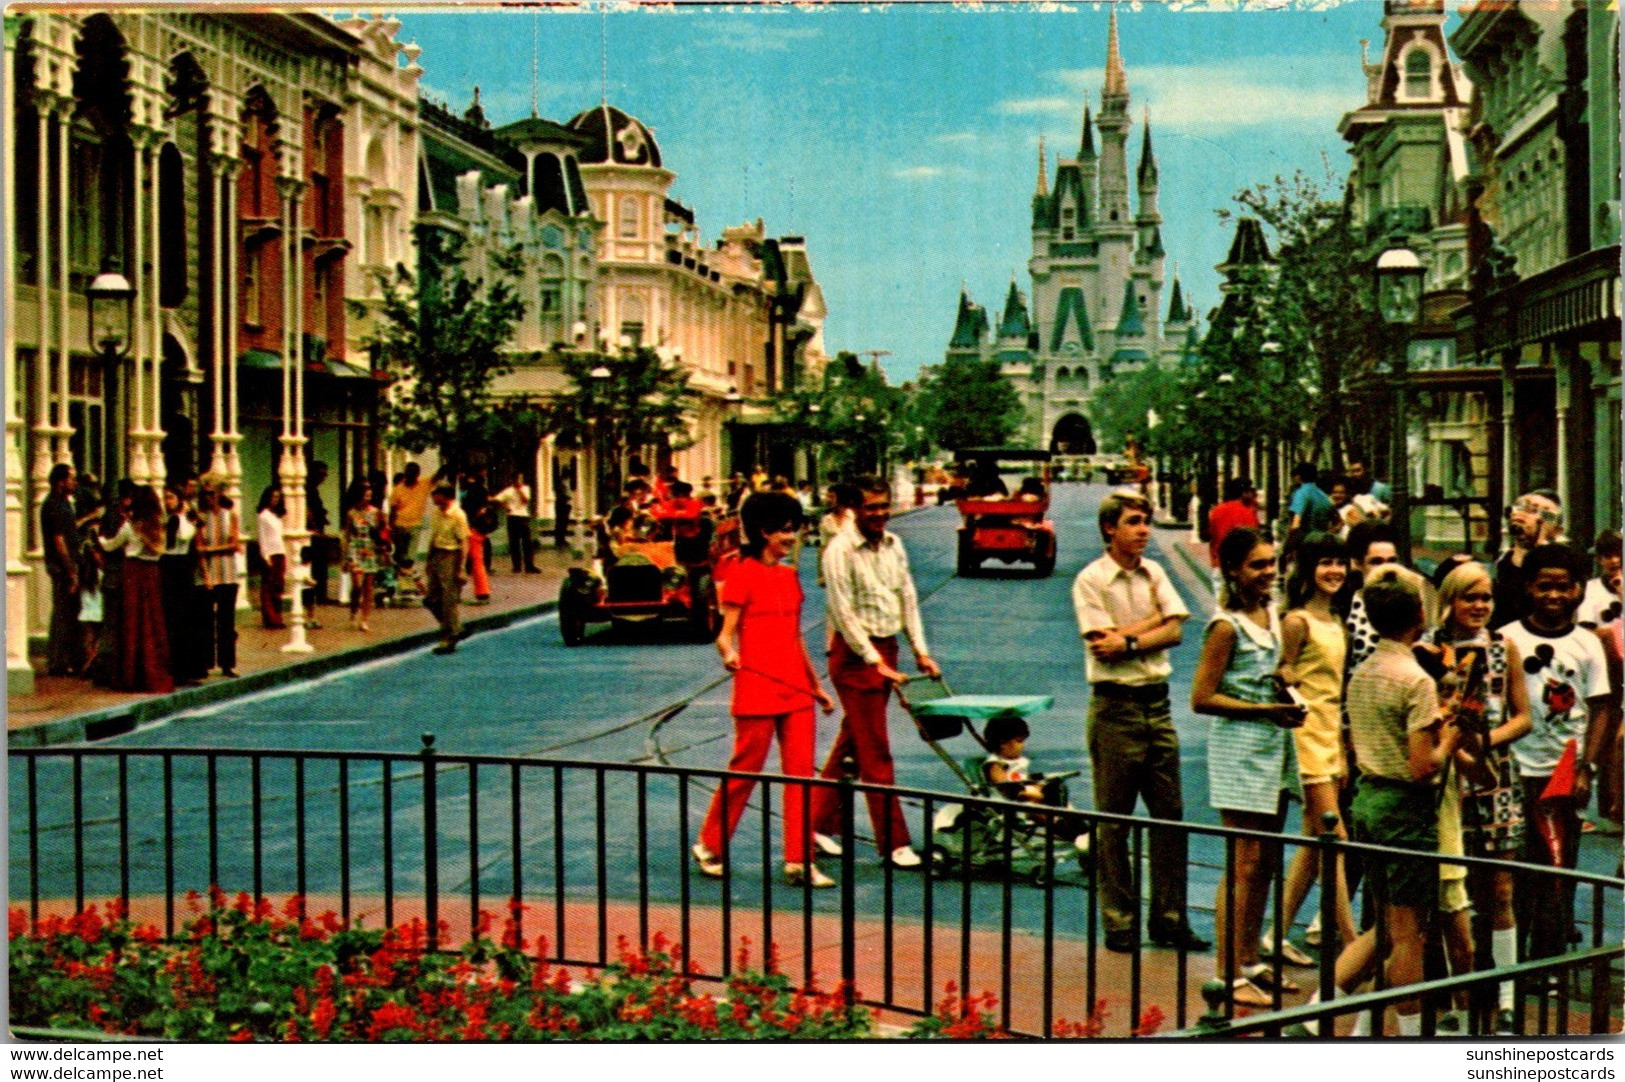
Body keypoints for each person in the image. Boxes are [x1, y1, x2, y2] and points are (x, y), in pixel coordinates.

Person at [1073, 491, 1207, 954]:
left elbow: (1176, 629)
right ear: (1110, 528)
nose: (1145, 530)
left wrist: (1130, 638)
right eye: (1134, 522)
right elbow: (1099, 644)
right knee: (1114, 822)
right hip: (1116, 708)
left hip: (1158, 704)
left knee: (1170, 817)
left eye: (1147, 522)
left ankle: (1169, 919)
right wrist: (1153, 623)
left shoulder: (1157, 572)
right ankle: (1120, 921)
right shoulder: (1091, 580)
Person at [694, 491, 838, 887]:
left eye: (795, 529)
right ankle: (710, 844)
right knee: (745, 771)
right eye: (786, 531)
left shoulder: (790, 577)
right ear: (764, 532)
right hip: (757, 683)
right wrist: (730, 654)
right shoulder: (741, 573)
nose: (794, 537)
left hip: (795, 690)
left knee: (801, 777)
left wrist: (816, 688)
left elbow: (795, 639)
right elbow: (725, 635)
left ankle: (799, 860)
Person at [1344, 568, 1465, 1036]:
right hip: (1403, 807)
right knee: (1409, 932)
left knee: (1388, 920)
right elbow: (1423, 765)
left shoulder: (1362, 673)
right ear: (1418, 615)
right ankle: (1411, 1035)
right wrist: (1450, 736)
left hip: (1367, 797)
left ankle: (1367, 1024)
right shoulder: (1416, 682)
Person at [1192, 527, 1306, 1007]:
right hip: (1239, 748)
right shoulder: (1226, 626)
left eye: (1271, 562)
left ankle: (1250, 958)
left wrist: (1285, 679)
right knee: (1243, 863)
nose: (1268, 572)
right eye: (1257, 565)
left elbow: (1276, 669)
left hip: (1274, 747)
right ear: (1234, 570)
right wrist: (1263, 710)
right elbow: (1203, 697)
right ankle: (1226, 972)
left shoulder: (1272, 616)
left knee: (1266, 861)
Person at [1422, 560, 1532, 1033]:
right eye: (1470, 597)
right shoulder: (1430, 648)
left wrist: (1485, 742)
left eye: (1485, 597)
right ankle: (1457, 997)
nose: (1479, 606)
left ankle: (1506, 995)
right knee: (1451, 894)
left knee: (1501, 887)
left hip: (1495, 775)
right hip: (1448, 777)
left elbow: (1523, 716)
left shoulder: (1504, 647)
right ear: (1450, 600)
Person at [809, 475, 941, 868]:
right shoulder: (839, 551)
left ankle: (811, 823)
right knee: (876, 751)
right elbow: (843, 613)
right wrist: (874, 661)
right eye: (872, 507)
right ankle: (894, 842)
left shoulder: (894, 544)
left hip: (887, 649)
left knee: (854, 740)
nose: (881, 514)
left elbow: (907, 596)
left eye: (885, 506)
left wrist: (920, 651)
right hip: (855, 656)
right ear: (853, 509)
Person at [1499, 543, 1611, 963]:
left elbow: (1600, 707)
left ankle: (1548, 960)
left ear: (1578, 590)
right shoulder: (1508, 637)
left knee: (1558, 868)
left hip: (1564, 774)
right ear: (1529, 587)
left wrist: (1588, 767)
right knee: (1517, 868)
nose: (1553, 596)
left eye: (1562, 588)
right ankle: (1510, 956)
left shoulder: (1587, 643)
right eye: (1544, 587)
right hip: (1515, 768)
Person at [1273, 532, 1357, 970]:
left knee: (1313, 843)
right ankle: (1352, 941)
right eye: (1325, 562)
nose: (1335, 571)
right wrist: (1287, 685)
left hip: (1331, 737)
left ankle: (1275, 935)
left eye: (1340, 563)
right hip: (1306, 738)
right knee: (1333, 837)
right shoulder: (1297, 621)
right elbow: (1283, 671)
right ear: (1307, 569)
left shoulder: (1336, 621)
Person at [99, 486, 173, 694]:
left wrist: (99, 538)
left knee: (132, 624)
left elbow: (111, 545)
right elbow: (161, 548)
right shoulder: (158, 525)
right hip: (152, 573)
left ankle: (131, 675)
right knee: (152, 622)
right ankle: (153, 671)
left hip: (133, 573)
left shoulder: (131, 526)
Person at [1492, 490, 1563, 631]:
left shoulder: (1562, 567)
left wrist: (1542, 541)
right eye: (1523, 507)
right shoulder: (1499, 567)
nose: (1523, 513)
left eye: (1535, 511)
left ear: (1556, 530)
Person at [160, 483, 206, 684]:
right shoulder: (170, 520)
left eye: (171, 497)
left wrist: (189, 515)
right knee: (173, 620)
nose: (167, 501)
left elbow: (190, 533)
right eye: (165, 497)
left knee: (184, 620)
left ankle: (185, 668)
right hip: (171, 567)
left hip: (181, 568)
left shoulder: (180, 519)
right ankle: (175, 669)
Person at [195, 479, 241, 677]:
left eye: (212, 493)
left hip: (228, 573)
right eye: (205, 494)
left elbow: (234, 543)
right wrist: (206, 577)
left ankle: (227, 663)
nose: (209, 498)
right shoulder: (199, 518)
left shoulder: (230, 516)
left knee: (227, 621)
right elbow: (198, 550)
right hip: (208, 574)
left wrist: (210, 549)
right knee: (205, 621)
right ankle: (205, 662)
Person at [41, 463, 83, 677]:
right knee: (62, 613)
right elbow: (59, 541)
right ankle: (57, 660)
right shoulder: (54, 505)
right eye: (71, 479)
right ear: (61, 481)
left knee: (70, 612)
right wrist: (70, 569)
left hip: (68, 564)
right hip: (61, 567)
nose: (74, 483)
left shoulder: (64, 503)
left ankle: (68, 658)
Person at [425, 484, 470, 655]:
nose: (433, 498)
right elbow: (434, 536)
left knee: (448, 599)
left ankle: (448, 638)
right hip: (437, 554)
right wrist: (429, 559)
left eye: (436, 495)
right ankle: (455, 628)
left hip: (451, 555)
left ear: (445, 497)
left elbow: (464, 542)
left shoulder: (458, 515)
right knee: (430, 599)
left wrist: (461, 568)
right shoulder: (436, 513)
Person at [343, 479, 387, 633]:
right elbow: (348, 535)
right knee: (357, 585)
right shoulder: (351, 513)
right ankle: (354, 609)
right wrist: (345, 558)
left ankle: (364, 619)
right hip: (356, 548)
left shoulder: (376, 512)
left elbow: (382, 532)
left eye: (370, 496)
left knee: (368, 587)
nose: (368, 499)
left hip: (370, 549)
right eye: (365, 496)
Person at [1207, 477, 1260, 586]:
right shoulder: (1247, 512)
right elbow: (1254, 541)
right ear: (1243, 493)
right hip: (1241, 566)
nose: (1254, 494)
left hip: (1220, 564)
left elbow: (1211, 536)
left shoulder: (1216, 511)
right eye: (1250, 491)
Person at [817, 483, 860, 590]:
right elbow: (823, 547)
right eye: (827, 496)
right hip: (834, 566)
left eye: (831, 497)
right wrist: (821, 574)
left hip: (854, 565)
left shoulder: (855, 517)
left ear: (841, 498)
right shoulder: (826, 520)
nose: (828, 499)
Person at [387, 462, 431, 566]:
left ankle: (406, 573)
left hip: (415, 526)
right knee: (400, 556)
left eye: (412, 473)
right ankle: (401, 576)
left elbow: (437, 476)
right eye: (408, 473)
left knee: (410, 558)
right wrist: (391, 528)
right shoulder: (398, 489)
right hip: (399, 526)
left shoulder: (424, 484)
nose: (410, 476)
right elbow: (393, 510)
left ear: (417, 475)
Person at [1577, 529, 1622, 629]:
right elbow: (1586, 629)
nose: (1615, 560)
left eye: (1618, 554)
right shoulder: (1590, 589)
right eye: (1608, 556)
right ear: (1598, 559)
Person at [256, 487, 288, 630]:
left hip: (280, 551)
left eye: (277, 497)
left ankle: (278, 616)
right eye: (273, 496)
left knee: (278, 586)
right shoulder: (263, 515)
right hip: (270, 554)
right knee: (268, 587)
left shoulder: (276, 516)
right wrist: (265, 556)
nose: (275, 499)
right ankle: (270, 618)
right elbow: (262, 538)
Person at [1286, 462, 1335, 553]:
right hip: (1322, 543)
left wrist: (1287, 547)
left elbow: (1296, 525)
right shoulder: (1324, 496)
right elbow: (1339, 522)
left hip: (1306, 544)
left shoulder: (1300, 493)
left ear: (1299, 476)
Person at [493, 475, 538, 574]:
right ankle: (516, 566)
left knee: (527, 542)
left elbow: (525, 500)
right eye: (517, 479)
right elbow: (497, 499)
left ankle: (529, 565)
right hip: (512, 516)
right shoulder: (508, 491)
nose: (519, 481)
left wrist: (519, 490)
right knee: (514, 542)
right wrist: (505, 506)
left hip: (523, 516)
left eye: (521, 479)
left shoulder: (525, 489)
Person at [463, 480, 495, 605]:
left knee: (475, 561)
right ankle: (482, 591)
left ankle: (482, 591)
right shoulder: (486, 505)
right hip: (480, 532)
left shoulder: (471, 497)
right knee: (477, 561)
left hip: (473, 531)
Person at [307, 461, 331, 606]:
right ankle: (317, 595)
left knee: (321, 564)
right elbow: (308, 510)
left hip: (318, 529)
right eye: (321, 474)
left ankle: (321, 594)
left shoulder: (314, 490)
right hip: (313, 532)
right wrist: (315, 529)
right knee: (317, 565)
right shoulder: (309, 489)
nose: (323, 477)